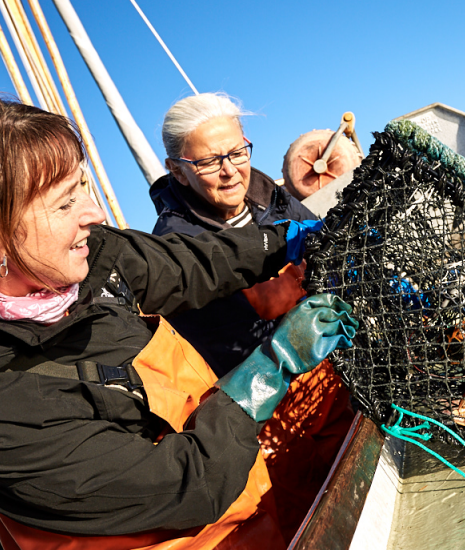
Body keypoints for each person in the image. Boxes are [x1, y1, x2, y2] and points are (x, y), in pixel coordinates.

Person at [0, 95, 355, 549]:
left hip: (255, 503)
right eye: (64, 203)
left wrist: (289, 240)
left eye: (82, 187)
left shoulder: (95, 260)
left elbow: (198, 264)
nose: (94, 213)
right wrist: (270, 368)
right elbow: (190, 484)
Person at [149, 93, 355, 541]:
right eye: (209, 161)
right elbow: (227, 339)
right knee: (322, 519)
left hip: (337, 377)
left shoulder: (268, 196)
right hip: (272, 412)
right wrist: (272, 295)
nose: (230, 170)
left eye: (237, 152)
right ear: (177, 169)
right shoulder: (173, 249)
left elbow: (326, 259)